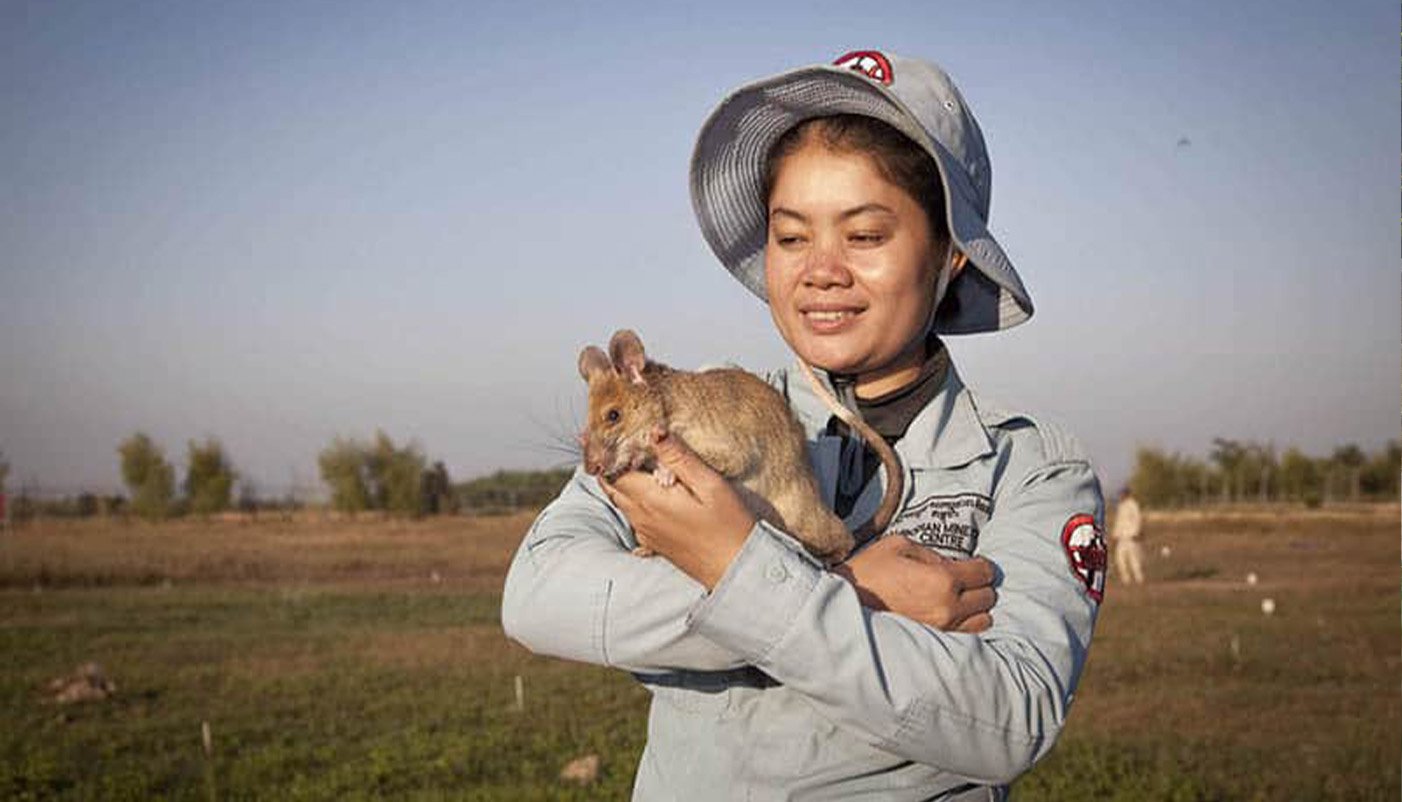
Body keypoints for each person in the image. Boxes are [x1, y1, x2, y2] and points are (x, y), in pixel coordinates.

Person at [501, 49, 1107, 800]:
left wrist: (733, 572)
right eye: (791, 238)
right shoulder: (687, 423)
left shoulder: (1031, 468)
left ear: (951, 257)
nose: (821, 269)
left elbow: (1012, 717)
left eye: (865, 235)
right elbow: (537, 597)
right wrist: (845, 590)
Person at [1111, 486, 1145, 584]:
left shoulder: (1133, 505)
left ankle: (1139, 579)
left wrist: (1137, 532)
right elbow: (1119, 522)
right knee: (1120, 559)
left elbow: (1138, 519)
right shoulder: (1120, 506)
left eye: (1122, 493)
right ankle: (1126, 580)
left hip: (1132, 536)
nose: (1120, 496)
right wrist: (1115, 536)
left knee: (1134, 559)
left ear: (1127, 494)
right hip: (1122, 538)